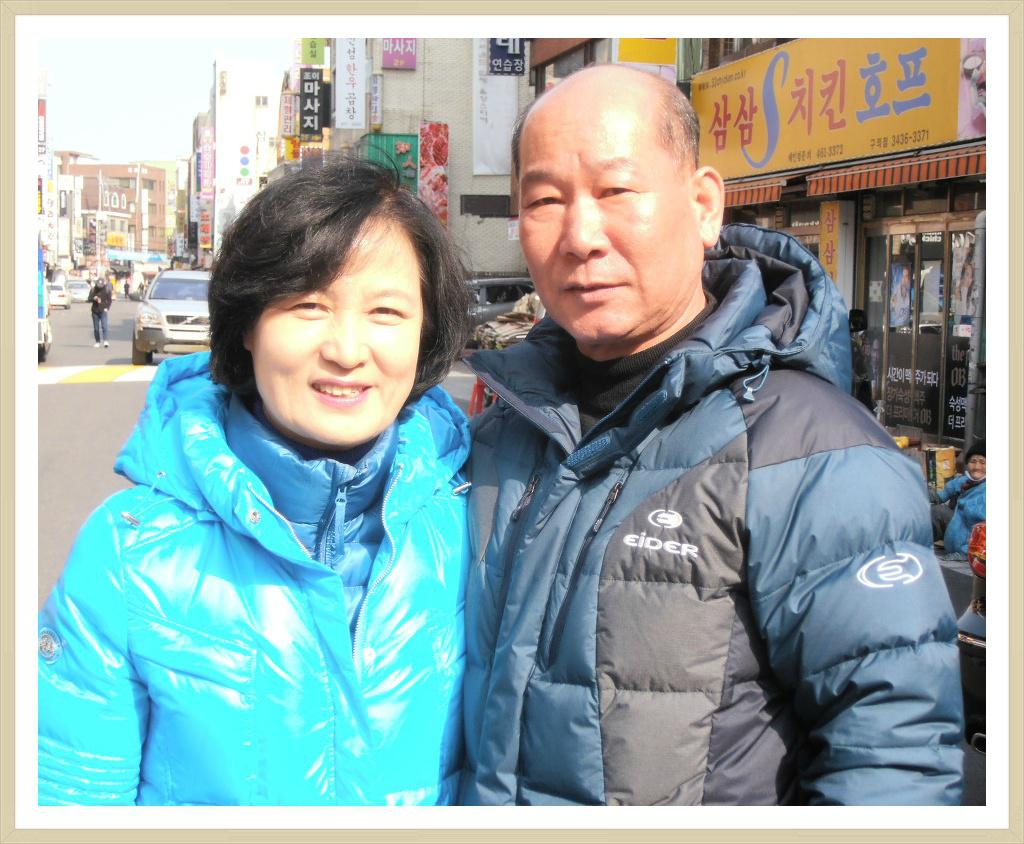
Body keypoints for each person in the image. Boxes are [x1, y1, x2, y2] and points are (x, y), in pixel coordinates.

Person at [460, 64, 963, 806]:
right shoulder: (503, 430)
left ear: (703, 206)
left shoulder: (811, 451)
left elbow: (894, 760)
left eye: (615, 190)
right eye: (544, 200)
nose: (580, 235)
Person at [38, 156, 472, 805]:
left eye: (386, 311)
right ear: (247, 324)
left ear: (425, 332)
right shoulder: (128, 556)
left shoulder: (475, 520)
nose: (346, 350)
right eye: (308, 305)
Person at [931, 440, 986, 556]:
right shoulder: (963, 481)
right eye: (973, 461)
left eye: (983, 462)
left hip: (972, 545)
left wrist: (966, 553)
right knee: (936, 512)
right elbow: (940, 496)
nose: (977, 467)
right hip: (955, 531)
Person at [88, 274, 112, 347]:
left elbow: (109, 300)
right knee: (96, 328)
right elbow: (89, 299)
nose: (99, 287)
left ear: (104, 284)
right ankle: (97, 341)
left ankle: (105, 341)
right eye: (98, 285)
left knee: (104, 326)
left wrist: (107, 308)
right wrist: (94, 298)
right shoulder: (93, 289)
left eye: (101, 285)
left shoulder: (107, 289)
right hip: (95, 311)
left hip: (103, 310)